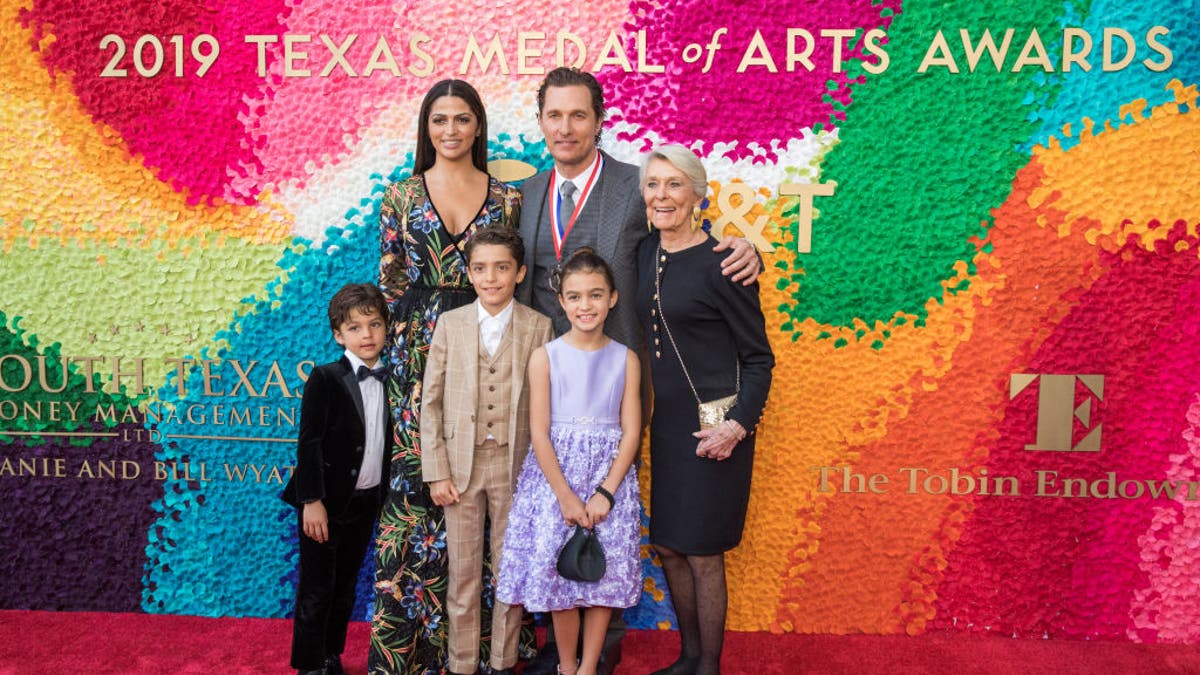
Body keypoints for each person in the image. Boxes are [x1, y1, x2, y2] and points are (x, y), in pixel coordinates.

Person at [515, 64, 762, 675]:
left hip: (625, 392)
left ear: (600, 121)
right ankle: (559, 648)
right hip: (552, 387)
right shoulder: (523, 195)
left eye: (579, 114)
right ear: (541, 122)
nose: (566, 127)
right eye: (554, 114)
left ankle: (608, 648)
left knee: (617, 511)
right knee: (555, 513)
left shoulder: (635, 185)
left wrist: (745, 246)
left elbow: (688, 236)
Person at [373, 79, 532, 673]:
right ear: (426, 127)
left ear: (478, 127)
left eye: (462, 119)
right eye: (439, 119)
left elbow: (519, 278)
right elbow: (390, 282)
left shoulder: (508, 198)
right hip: (418, 357)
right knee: (422, 487)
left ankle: (495, 651)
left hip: (488, 348)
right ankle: (413, 649)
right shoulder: (398, 196)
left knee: (488, 489)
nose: (450, 130)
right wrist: (398, 367)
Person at [635, 144, 775, 675]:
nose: (663, 195)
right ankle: (687, 658)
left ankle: (708, 667)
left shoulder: (726, 264)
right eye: (654, 184)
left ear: (698, 193)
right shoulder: (647, 251)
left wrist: (738, 426)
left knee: (702, 553)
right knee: (670, 547)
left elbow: (759, 359)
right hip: (668, 429)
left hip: (719, 429)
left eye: (675, 184)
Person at [497, 248, 643, 675]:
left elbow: (631, 432)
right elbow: (539, 432)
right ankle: (565, 665)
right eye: (575, 297)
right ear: (561, 301)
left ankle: (589, 667)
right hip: (555, 482)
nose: (586, 306)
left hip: (607, 482)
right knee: (562, 578)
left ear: (612, 298)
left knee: (602, 581)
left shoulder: (626, 359)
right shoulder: (545, 357)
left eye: (595, 295)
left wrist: (606, 493)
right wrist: (564, 496)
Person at [420, 226, 555, 675]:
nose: (491, 277)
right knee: (462, 575)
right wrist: (437, 470)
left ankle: (502, 660)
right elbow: (431, 402)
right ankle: (461, 664)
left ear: (519, 273)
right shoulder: (450, 325)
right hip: (460, 469)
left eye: (501, 268)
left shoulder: (539, 327)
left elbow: (546, 407)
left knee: (509, 572)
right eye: (480, 268)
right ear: (469, 273)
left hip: (514, 468)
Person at [282, 283, 392, 675]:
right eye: (356, 327)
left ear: (385, 328)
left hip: (364, 502)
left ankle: (332, 654)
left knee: (345, 585)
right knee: (318, 587)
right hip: (324, 503)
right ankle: (309, 664)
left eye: (374, 324)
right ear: (338, 335)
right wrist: (312, 501)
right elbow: (308, 442)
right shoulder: (325, 379)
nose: (367, 335)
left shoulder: (392, 379)